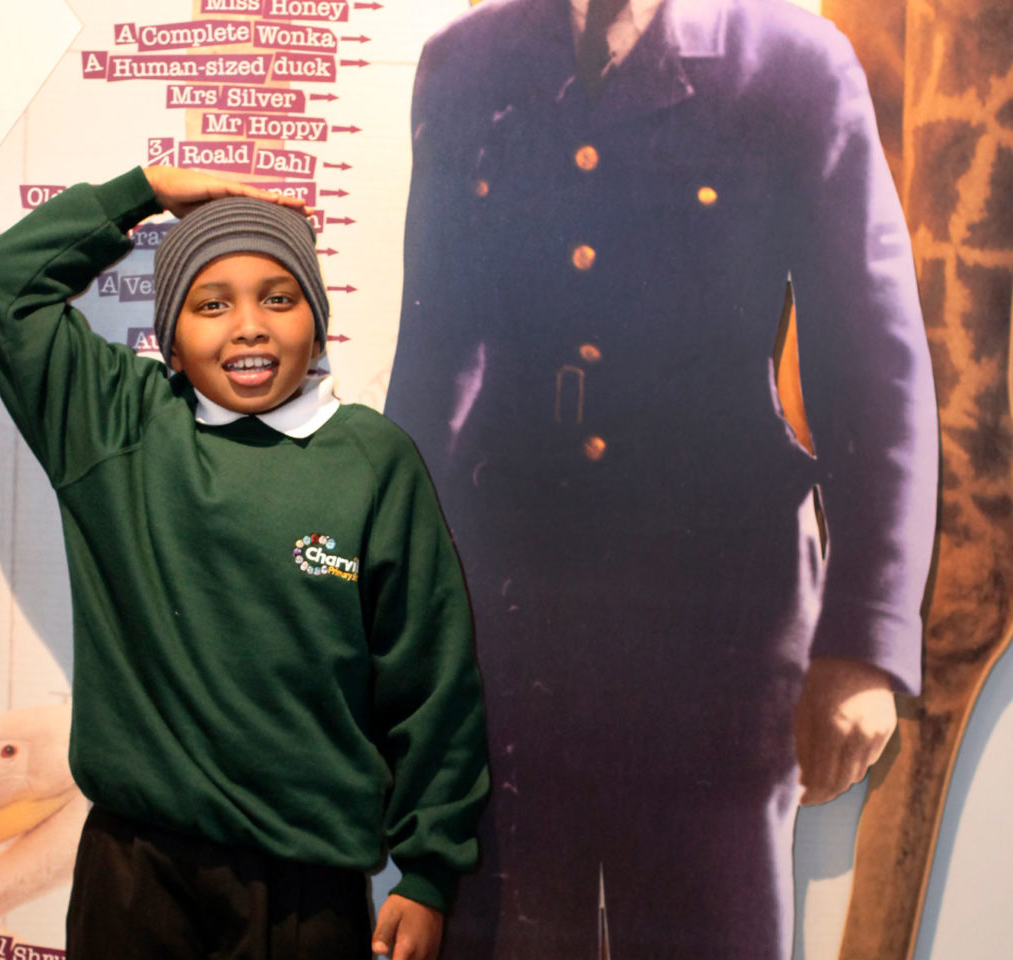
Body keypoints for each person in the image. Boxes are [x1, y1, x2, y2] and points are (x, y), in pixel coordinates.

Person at [384, 0, 938, 957]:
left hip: (718, 626)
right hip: (513, 619)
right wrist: (388, 620)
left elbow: (872, 361)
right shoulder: (465, 63)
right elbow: (431, 369)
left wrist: (864, 641)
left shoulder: (790, 62)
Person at [0, 165, 488, 960]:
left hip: (307, 887)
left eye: (279, 297)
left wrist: (430, 871)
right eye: (211, 304)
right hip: (133, 873)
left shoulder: (371, 460)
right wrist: (146, 189)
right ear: (169, 336)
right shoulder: (116, 427)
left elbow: (431, 678)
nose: (248, 327)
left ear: (318, 316)